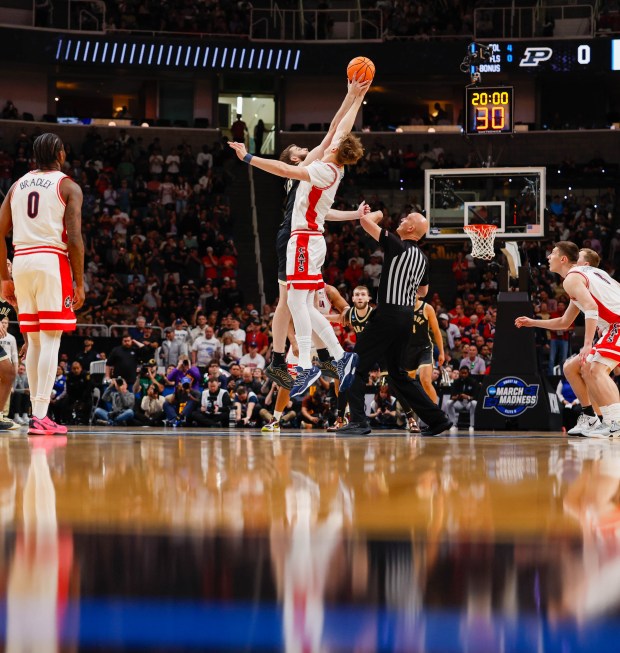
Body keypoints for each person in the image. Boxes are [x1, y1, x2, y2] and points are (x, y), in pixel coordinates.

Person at [229, 77, 369, 398]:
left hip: (304, 239)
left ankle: (305, 363)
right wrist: (354, 95)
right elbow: (339, 125)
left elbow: (284, 170)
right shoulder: (333, 163)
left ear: (335, 151)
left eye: (333, 142)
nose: (329, 140)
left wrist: (247, 158)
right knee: (300, 304)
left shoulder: (321, 169)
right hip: (304, 238)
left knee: (295, 303)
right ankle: (336, 355)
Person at [0, 132, 85, 436]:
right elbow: (74, 238)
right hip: (50, 261)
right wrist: (80, 281)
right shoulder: (68, 185)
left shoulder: (16, 186)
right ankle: (40, 416)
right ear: (60, 153)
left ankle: (38, 415)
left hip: (21, 261)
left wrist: (4, 278)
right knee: (51, 338)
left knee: (34, 340)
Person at [337, 211, 451, 436]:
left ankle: (359, 421)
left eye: (406, 218)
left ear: (410, 229)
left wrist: (374, 213)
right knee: (397, 375)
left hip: (388, 314)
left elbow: (364, 222)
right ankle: (438, 419)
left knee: (354, 366)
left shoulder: (396, 244)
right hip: (407, 317)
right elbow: (423, 291)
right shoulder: (423, 258)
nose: (401, 220)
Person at [516, 241, 620, 438]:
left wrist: (588, 344)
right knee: (572, 367)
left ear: (563, 259)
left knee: (595, 369)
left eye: (552, 253)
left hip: (617, 324)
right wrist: (533, 322)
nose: (548, 257)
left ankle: (615, 421)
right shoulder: (590, 276)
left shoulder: (572, 278)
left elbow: (591, 307)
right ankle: (592, 418)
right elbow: (565, 322)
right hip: (612, 325)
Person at [403, 294, 445, 404]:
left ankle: (436, 413)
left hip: (424, 348)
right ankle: (411, 415)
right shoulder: (400, 308)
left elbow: (436, 331)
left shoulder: (427, 308)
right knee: (408, 385)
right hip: (407, 350)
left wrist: (441, 352)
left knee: (425, 381)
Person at [445, 367, 480, 433]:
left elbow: (476, 397)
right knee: (449, 402)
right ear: (459, 373)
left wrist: (468, 397)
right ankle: (453, 424)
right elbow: (452, 397)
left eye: (465, 373)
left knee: (474, 403)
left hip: (469, 403)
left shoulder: (473, 382)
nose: (463, 375)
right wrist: (458, 396)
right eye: (462, 373)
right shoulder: (456, 382)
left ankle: (472, 425)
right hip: (459, 402)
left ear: (468, 373)